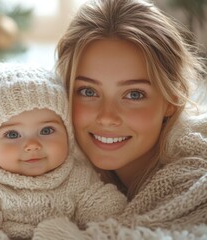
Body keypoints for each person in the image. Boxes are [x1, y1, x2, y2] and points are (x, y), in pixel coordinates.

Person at [32, 0, 207, 239]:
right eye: (88, 91)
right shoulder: (54, 159)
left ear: (171, 101)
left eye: (134, 94)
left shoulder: (194, 174)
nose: (107, 117)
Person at [0, 63, 127, 239]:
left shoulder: (79, 177)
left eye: (46, 130)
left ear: (68, 133)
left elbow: (105, 206)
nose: (32, 145)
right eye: (12, 134)